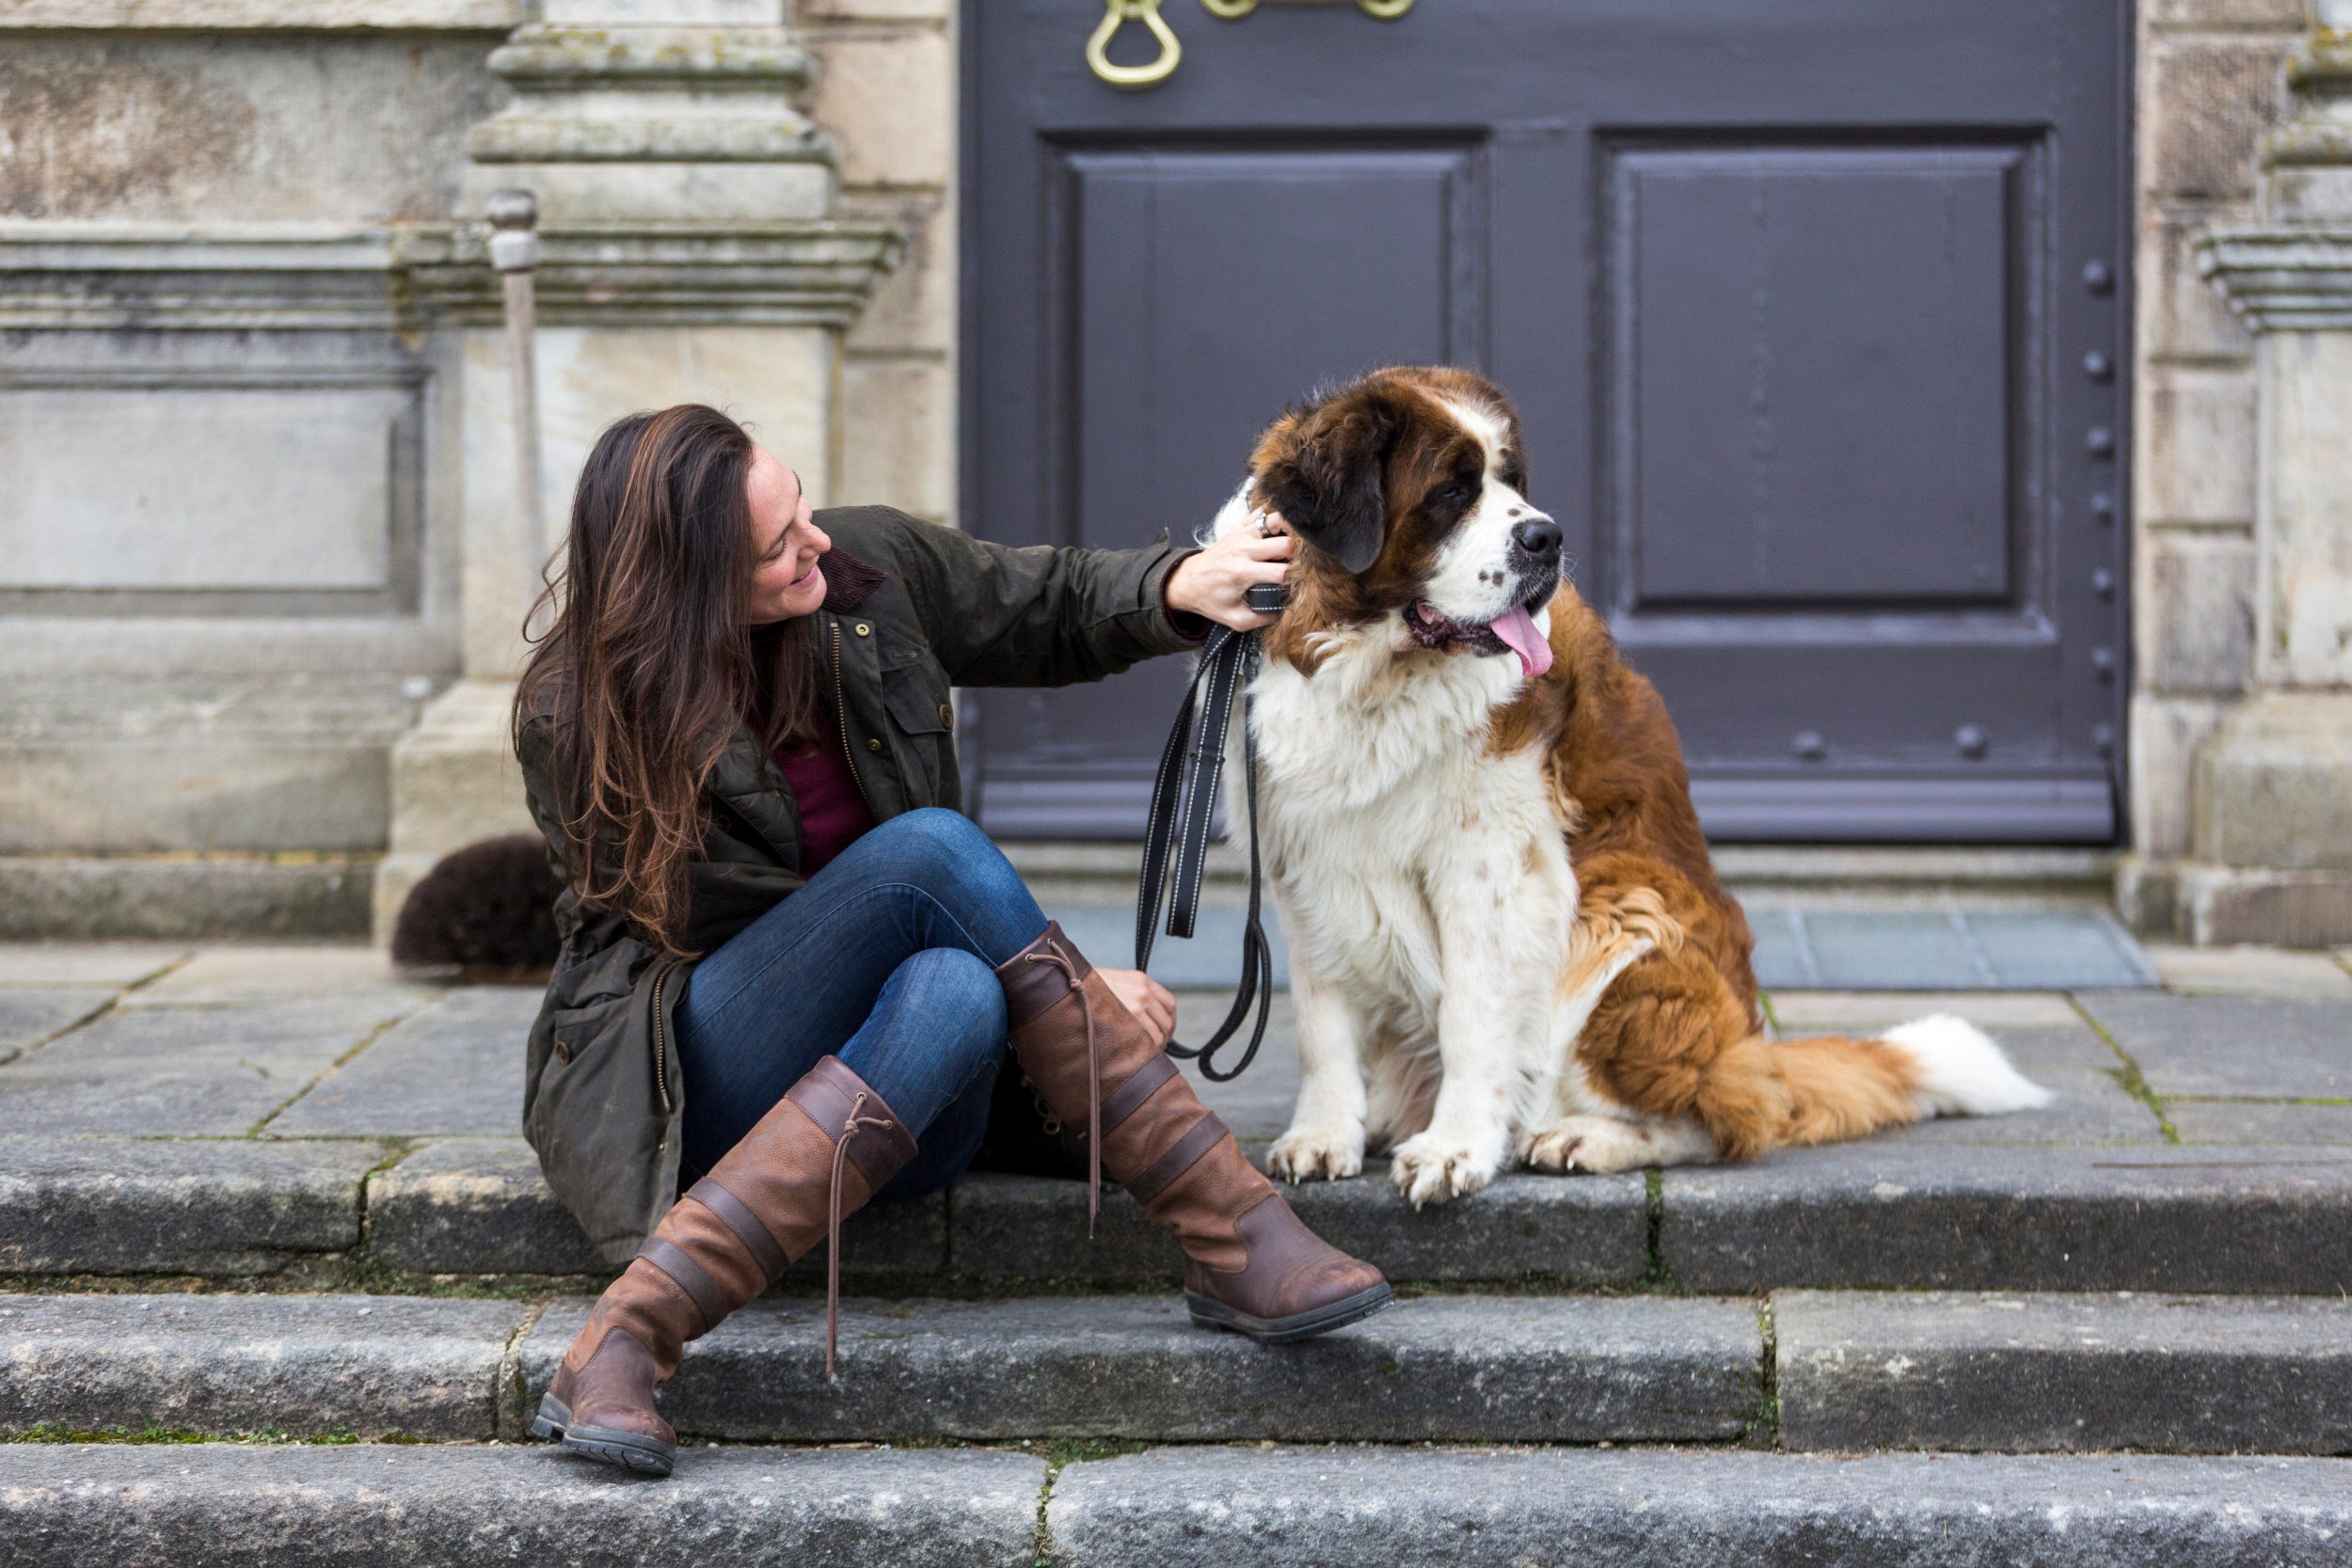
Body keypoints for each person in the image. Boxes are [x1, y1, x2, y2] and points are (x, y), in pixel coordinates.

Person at [512, 404, 1390, 1475]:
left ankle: (619, 1340)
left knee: (957, 991)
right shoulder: (582, 710)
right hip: (707, 1079)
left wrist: (1178, 583)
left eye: (802, 509)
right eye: (780, 547)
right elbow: (724, 927)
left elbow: (1043, 601)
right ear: (692, 589)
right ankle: (1229, 1231)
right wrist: (1066, 983)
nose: (817, 544)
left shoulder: (866, 574)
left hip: (905, 1099)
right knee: (932, 852)